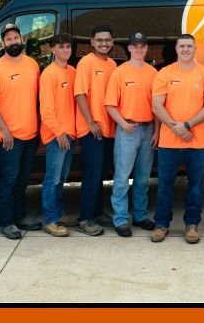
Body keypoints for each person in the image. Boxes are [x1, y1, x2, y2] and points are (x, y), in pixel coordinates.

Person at [151, 34, 204, 244]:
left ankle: (192, 224)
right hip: (169, 142)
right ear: (177, 48)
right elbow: (156, 105)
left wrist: (187, 125)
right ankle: (162, 224)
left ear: (195, 48)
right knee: (164, 184)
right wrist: (176, 127)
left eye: (189, 46)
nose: (186, 49)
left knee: (196, 185)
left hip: (196, 141)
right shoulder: (165, 73)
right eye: (182, 46)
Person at [0, 23, 41, 240]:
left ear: (21, 39)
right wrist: (5, 131)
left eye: (16, 37)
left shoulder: (33, 65)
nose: (13, 41)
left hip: (30, 135)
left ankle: (20, 216)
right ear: (3, 43)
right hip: (8, 138)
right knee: (8, 180)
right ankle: (7, 222)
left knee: (23, 180)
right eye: (9, 39)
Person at [105, 32, 159, 237]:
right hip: (127, 130)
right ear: (128, 48)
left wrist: (157, 131)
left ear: (146, 49)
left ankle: (140, 215)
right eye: (135, 46)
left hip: (148, 130)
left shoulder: (153, 72)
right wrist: (123, 124)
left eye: (142, 46)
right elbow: (110, 104)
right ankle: (120, 219)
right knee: (121, 178)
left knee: (143, 178)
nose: (139, 49)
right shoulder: (119, 73)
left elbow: (158, 106)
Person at [74, 25, 118, 236]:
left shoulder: (111, 64)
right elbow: (80, 94)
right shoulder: (86, 63)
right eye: (99, 40)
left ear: (112, 42)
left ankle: (98, 212)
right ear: (91, 42)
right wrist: (90, 122)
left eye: (107, 40)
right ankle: (86, 218)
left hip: (109, 129)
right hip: (91, 129)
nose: (103, 43)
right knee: (91, 175)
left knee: (101, 174)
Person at [39, 34, 77, 238]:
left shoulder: (72, 71)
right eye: (61, 47)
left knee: (62, 178)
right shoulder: (49, 74)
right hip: (57, 136)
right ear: (53, 49)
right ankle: (51, 219)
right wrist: (58, 132)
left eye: (68, 47)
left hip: (70, 134)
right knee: (52, 179)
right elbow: (46, 109)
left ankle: (59, 212)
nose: (65, 50)